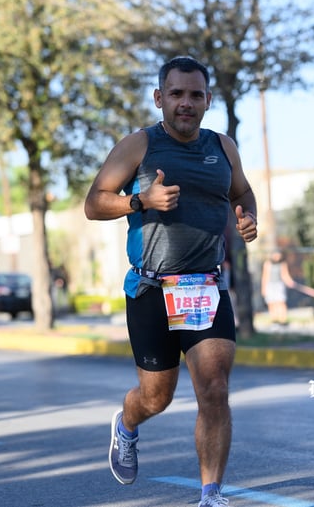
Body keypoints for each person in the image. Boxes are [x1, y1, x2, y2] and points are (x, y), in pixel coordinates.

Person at [84, 56, 258, 507]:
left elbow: (241, 191)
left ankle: (210, 495)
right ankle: (127, 423)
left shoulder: (223, 147)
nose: (186, 103)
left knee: (215, 388)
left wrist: (248, 215)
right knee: (156, 397)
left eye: (195, 95)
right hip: (151, 289)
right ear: (160, 98)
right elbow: (95, 203)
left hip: (203, 288)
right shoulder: (139, 145)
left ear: (207, 100)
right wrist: (141, 200)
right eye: (177, 94)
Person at [261, 250, 314, 325]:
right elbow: (265, 277)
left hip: (279, 285)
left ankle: (283, 320)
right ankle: (274, 319)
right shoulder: (268, 264)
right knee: (271, 302)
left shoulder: (282, 264)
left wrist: (290, 282)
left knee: (280, 302)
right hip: (270, 285)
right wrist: (264, 288)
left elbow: (285, 275)